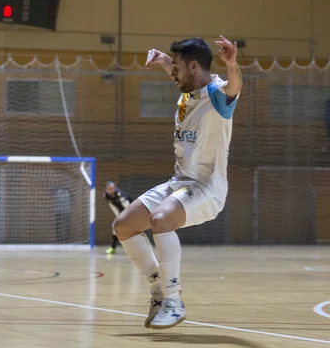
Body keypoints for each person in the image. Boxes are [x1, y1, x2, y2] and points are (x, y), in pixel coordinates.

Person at [113, 36, 242, 329]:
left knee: (160, 219)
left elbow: (235, 86)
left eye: (177, 68)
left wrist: (232, 64)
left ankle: (173, 301)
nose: (173, 73)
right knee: (124, 225)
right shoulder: (188, 93)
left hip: (206, 189)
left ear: (194, 66)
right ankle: (159, 289)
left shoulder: (218, 95)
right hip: (180, 183)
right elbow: (183, 73)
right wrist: (163, 60)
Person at [103, 180, 133, 254]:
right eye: (108, 189)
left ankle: (136, 249)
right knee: (114, 227)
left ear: (115, 188)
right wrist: (118, 217)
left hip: (132, 211)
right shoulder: (106, 196)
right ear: (106, 189)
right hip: (122, 213)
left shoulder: (120, 194)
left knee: (133, 230)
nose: (110, 190)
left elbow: (128, 207)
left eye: (112, 188)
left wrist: (128, 218)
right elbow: (113, 207)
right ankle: (113, 248)